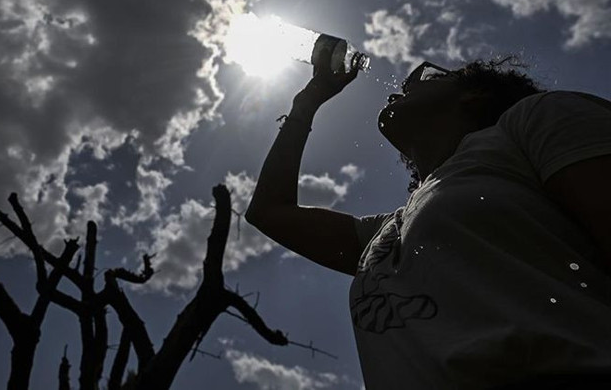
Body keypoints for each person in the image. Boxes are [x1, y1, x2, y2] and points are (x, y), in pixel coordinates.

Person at [244, 45, 611, 389]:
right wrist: (306, 102)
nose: (404, 85)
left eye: (428, 75)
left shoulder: (532, 120)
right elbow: (270, 212)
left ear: (475, 94)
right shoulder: (389, 232)